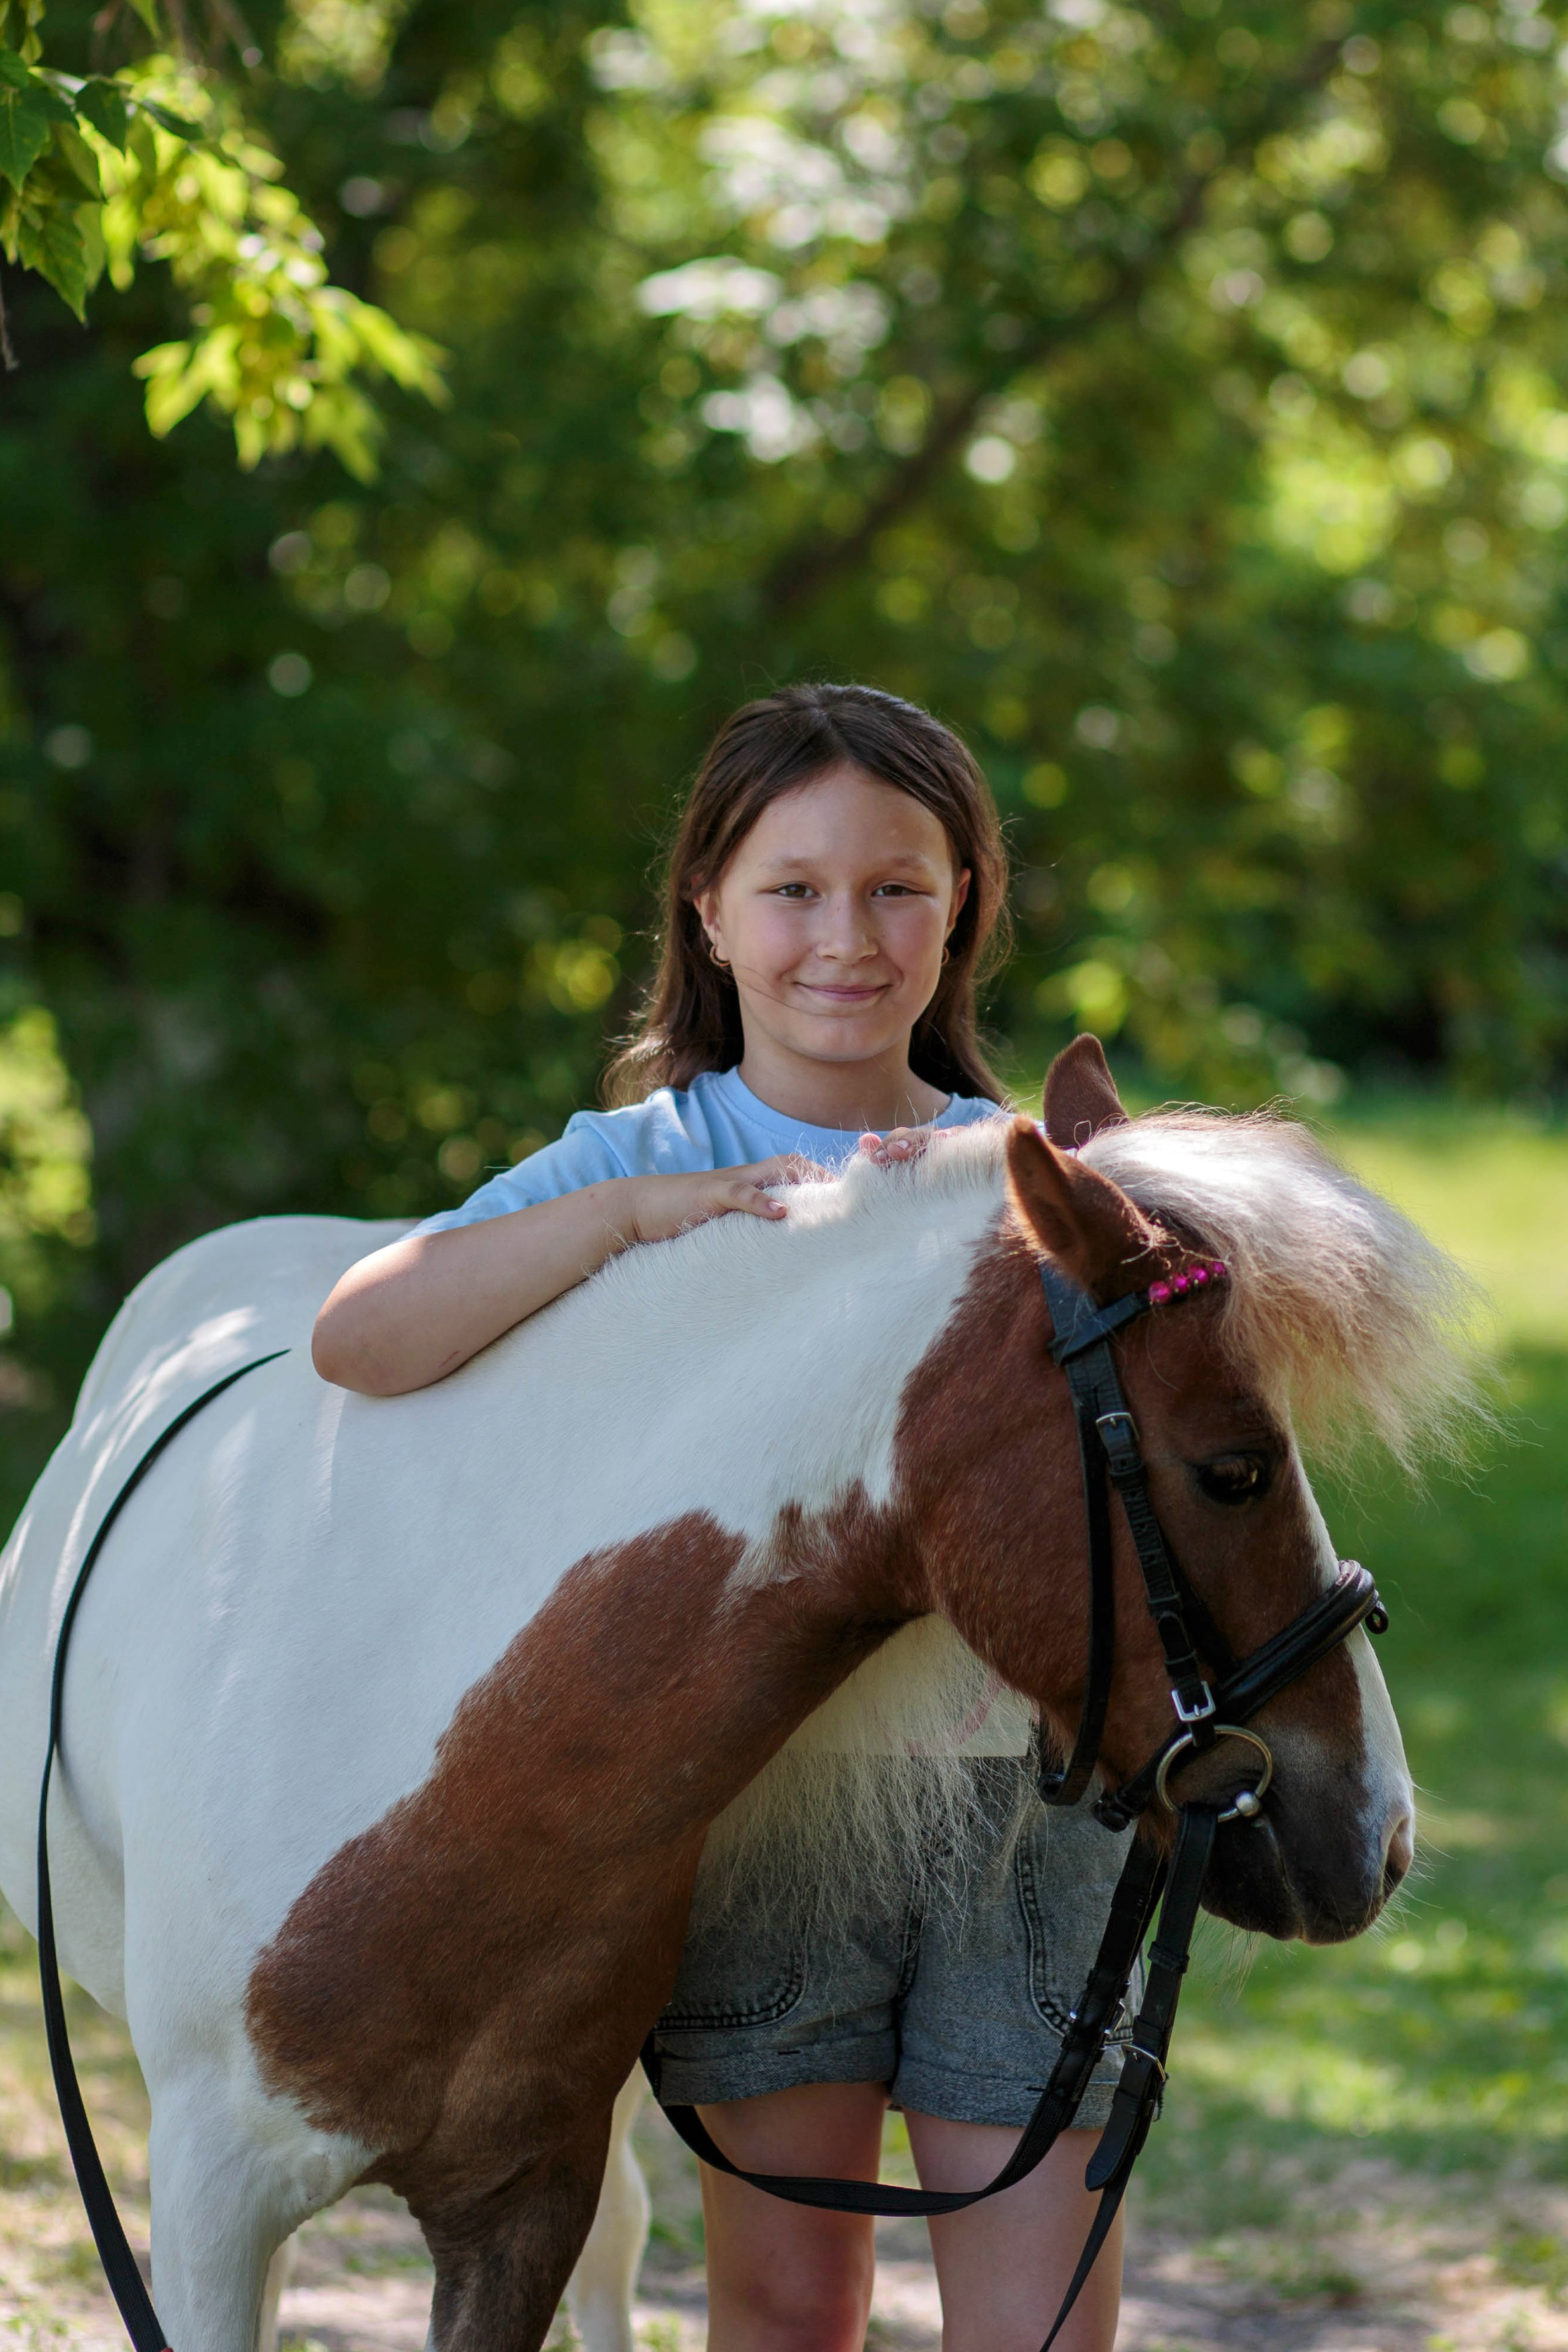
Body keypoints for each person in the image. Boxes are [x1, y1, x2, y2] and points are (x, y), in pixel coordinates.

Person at [313, 682, 1133, 2352]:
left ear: (962, 902)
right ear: (706, 908)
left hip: (1026, 1808)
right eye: (792, 887)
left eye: (895, 886)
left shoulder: (1026, 1175)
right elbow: (360, 1335)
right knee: (784, 2302)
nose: (845, 935)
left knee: (1041, 2316)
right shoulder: (642, 1158)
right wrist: (632, 1219)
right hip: (761, 1812)